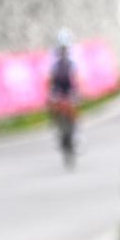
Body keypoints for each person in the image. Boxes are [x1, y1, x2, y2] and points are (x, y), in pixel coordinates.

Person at [45, 29, 80, 167]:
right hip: (57, 88)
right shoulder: (53, 59)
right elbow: (50, 79)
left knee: (74, 111)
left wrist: (77, 92)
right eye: (62, 47)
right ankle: (57, 128)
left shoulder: (73, 59)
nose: (64, 50)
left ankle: (76, 135)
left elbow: (76, 78)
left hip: (69, 88)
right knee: (52, 106)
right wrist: (51, 94)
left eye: (66, 47)